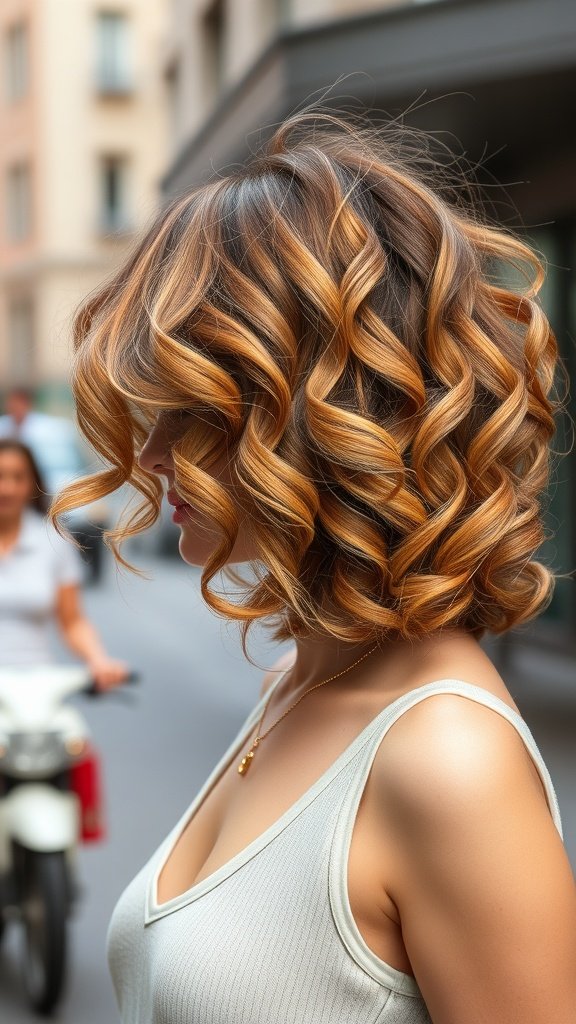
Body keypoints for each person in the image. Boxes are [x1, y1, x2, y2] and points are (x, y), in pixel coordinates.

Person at [49, 109, 576, 1023]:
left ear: (327, 417)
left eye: (197, 411)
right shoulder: (305, 674)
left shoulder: (449, 763)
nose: (153, 454)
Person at [0, 438, 128, 690]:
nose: (8, 488)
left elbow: (73, 622)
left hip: (35, 687)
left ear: (32, 484)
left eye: (18, 477)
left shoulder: (53, 542)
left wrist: (99, 661)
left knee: (74, 731)